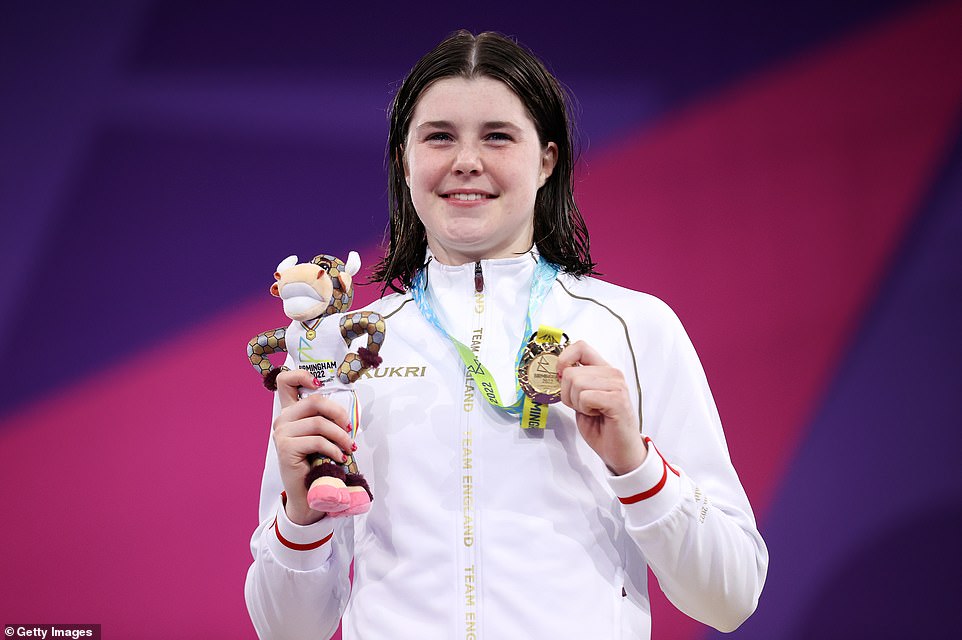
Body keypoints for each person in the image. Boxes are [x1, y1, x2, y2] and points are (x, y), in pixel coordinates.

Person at [245, 30, 768, 640]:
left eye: (497, 136)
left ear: (546, 160)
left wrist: (635, 464)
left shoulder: (635, 328)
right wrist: (302, 518)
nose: (467, 161)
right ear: (403, 160)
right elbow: (286, 630)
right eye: (439, 136)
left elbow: (730, 596)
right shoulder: (342, 350)